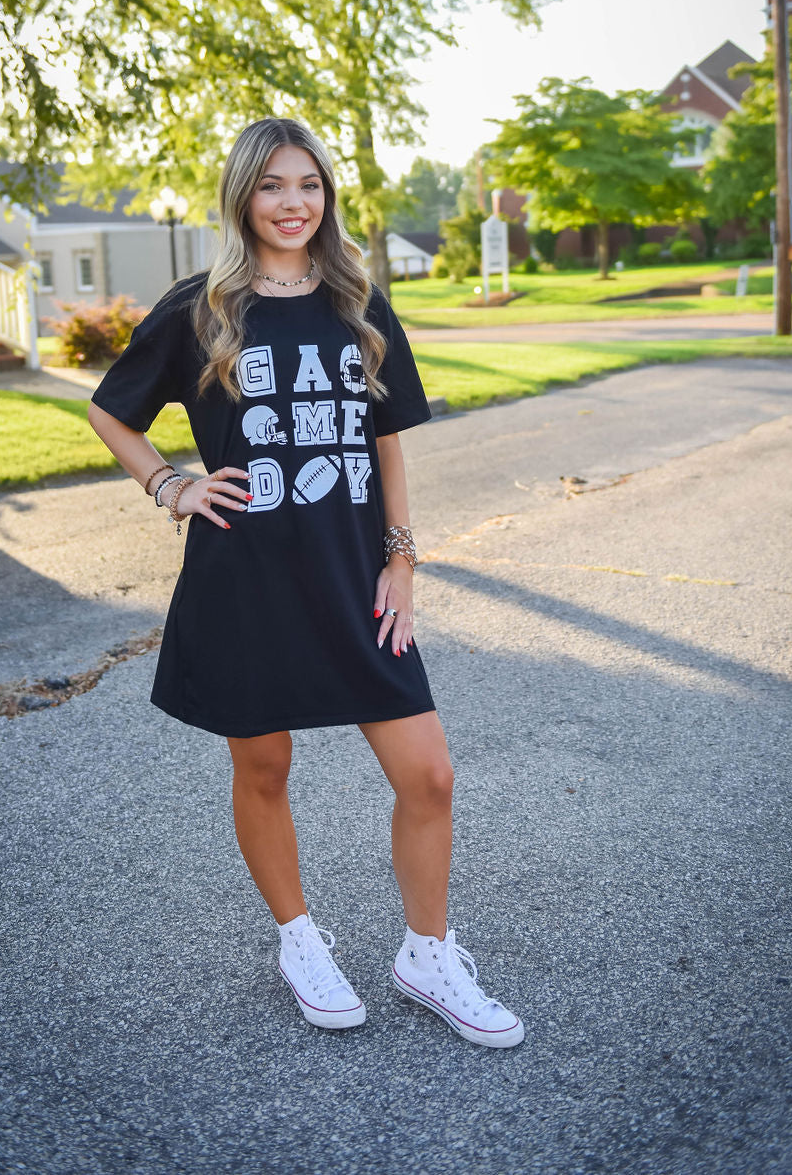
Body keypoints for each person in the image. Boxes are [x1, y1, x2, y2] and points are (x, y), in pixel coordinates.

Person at [88, 118, 523, 1048]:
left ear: (326, 198)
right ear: (243, 195)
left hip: (352, 577)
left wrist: (401, 559)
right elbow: (111, 410)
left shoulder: (356, 301)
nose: (294, 203)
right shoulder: (201, 308)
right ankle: (299, 939)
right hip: (245, 580)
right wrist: (171, 483)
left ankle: (427, 955)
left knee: (430, 775)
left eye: (310, 185)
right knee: (265, 765)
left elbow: (386, 440)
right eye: (275, 185)